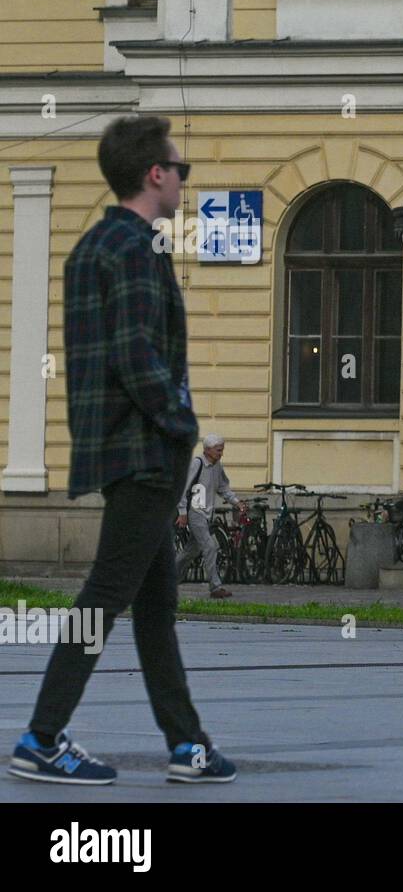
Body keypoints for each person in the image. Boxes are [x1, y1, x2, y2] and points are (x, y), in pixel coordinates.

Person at [8, 115, 236, 786]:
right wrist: (181, 422)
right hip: (146, 452)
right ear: (154, 175)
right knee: (105, 595)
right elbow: (138, 358)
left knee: (156, 603)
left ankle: (187, 746)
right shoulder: (137, 249)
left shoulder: (91, 247)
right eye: (179, 168)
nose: (183, 180)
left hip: (113, 447)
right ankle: (42, 737)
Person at [176, 433, 246, 599]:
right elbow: (182, 488)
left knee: (190, 552)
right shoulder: (197, 464)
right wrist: (183, 513)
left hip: (206, 514)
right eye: (218, 450)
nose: (221, 453)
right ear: (207, 450)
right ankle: (215, 587)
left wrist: (236, 502)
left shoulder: (217, 466)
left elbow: (223, 487)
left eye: (222, 450)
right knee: (210, 546)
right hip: (195, 512)